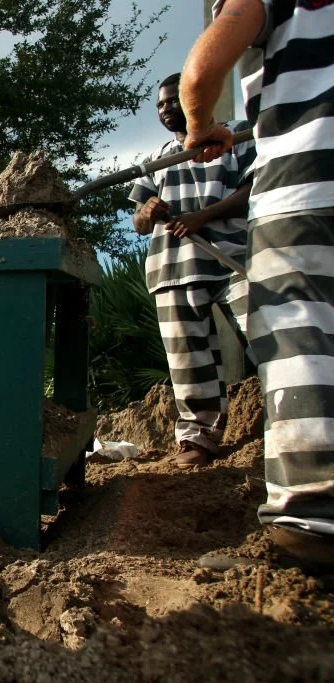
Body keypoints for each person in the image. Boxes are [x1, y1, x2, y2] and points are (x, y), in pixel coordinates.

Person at [179, 0, 334, 572]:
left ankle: (311, 523)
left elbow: (204, 67)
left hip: (308, 183)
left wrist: (201, 122)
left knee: (300, 338)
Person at [129, 72, 256, 468]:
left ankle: (302, 424)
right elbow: (139, 219)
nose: (167, 109)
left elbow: (255, 188)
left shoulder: (238, 137)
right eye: (161, 105)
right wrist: (147, 211)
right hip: (174, 266)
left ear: (199, 98)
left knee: (270, 337)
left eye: (173, 100)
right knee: (189, 359)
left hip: (237, 258)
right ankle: (198, 439)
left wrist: (203, 217)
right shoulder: (157, 160)